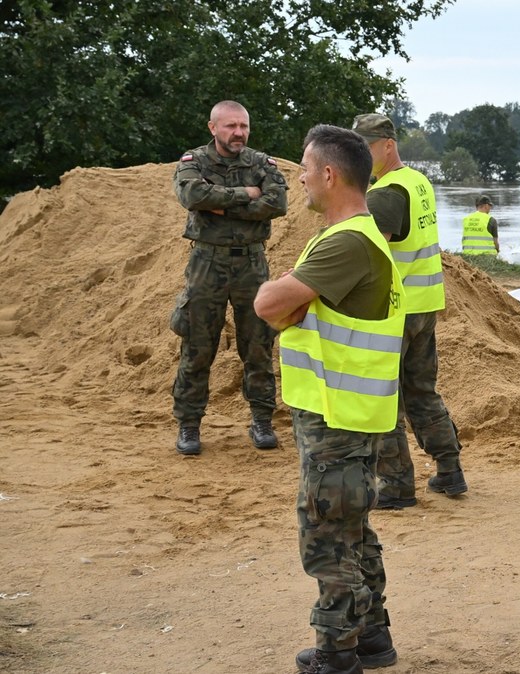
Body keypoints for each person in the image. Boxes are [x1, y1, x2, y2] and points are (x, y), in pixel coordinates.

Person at [253, 124, 402, 674]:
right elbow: (292, 304)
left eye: (305, 168)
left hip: (337, 414)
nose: (300, 178)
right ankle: (372, 638)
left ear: (330, 174)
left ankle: (337, 653)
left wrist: (290, 298)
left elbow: (270, 303)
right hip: (348, 410)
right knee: (352, 527)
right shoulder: (350, 237)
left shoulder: (347, 242)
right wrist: (297, 299)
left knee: (327, 534)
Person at [354, 113, 466, 508]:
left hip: (393, 310)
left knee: (383, 398)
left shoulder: (385, 194)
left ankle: (397, 486)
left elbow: (372, 254)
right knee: (422, 392)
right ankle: (450, 470)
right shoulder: (418, 181)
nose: (362, 159)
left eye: (366, 148)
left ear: (388, 144)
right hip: (423, 306)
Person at [171, 100, 288, 456]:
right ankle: (189, 425)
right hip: (206, 263)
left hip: (252, 265)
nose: (238, 133)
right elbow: (192, 194)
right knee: (197, 345)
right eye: (230, 126)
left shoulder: (260, 162)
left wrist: (220, 205)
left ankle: (262, 421)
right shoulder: (194, 162)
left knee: (258, 345)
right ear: (213, 128)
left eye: (243, 126)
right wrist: (246, 196)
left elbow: (278, 202)